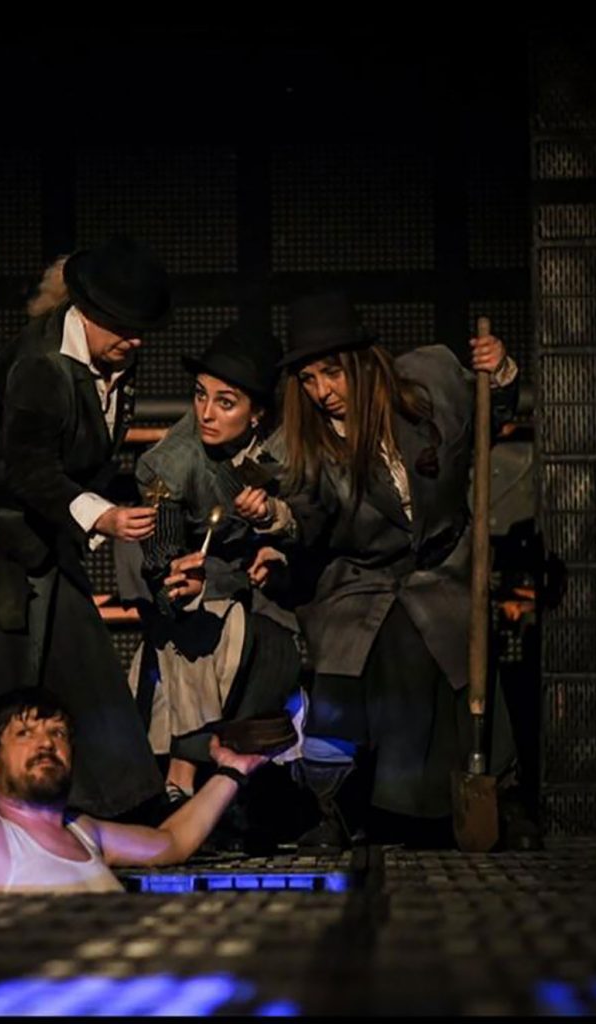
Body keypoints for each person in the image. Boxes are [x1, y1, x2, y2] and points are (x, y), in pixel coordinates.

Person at [0, 237, 169, 823]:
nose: (135, 341)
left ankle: (118, 802)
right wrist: (101, 516)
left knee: (75, 641)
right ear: (90, 313)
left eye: (141, 330)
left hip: (33, 516)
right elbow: (29, 470)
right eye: (124, 327)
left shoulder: (113, 356)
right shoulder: (41, 367)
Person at [245, 289, 522, 848]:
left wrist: (500, 372)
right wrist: (276, 519)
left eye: (332, 373)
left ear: (362, 362)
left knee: (459, 656)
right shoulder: (301, 444)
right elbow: (305, 511)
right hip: (361, 579)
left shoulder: (432, 379)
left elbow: (491, 411)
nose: (322, 392)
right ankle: (344, 807)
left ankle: (499, 800)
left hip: (444, 567)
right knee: (360, 657)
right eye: (308, 380)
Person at [117, 323, 300, 811]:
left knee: (273, 643)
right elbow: (161, 558)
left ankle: (246, 783)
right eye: (200, 395)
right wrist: (180, 581)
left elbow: (314, 516)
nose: (206, 413)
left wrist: (277, 542)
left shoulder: (291, 445)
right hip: (192, 586)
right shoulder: (171, 464)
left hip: (269, 582)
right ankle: (183, 777)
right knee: (200, 632)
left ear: (258, 413)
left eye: (225, 402)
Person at [0, 688, 266, 893]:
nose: (45, 744)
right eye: (25, 734)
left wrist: (233, 771)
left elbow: (172, 842)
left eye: (57, 733)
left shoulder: (85, 831)